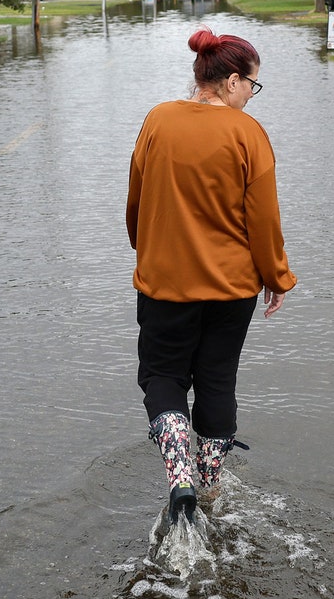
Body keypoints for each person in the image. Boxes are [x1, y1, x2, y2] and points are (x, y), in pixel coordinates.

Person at [125, 26, 297, 525]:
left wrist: (147, 248)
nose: (251, 95)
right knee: (217, 380)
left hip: (165, 284)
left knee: (164, 376)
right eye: (252, 85)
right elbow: (263, 220)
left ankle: (178, 478)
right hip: (231, 288)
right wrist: (276, 276)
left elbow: (136, 198)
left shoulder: (158, 120)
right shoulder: (249, 134)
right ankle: (211, 486)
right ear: (231, 81)